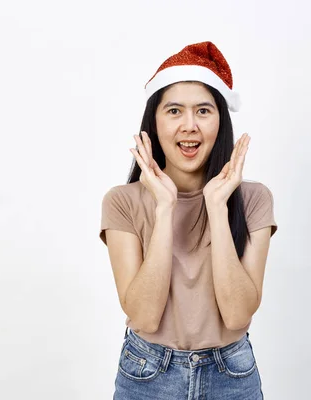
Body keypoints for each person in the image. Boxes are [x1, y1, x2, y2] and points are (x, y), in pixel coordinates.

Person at [99, 42, 278, 399]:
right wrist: (164, 208)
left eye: (203, 111)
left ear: (220, 121)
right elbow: (146, 318)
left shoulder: (254, 199)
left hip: (232, 374)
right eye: (175, 111)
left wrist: (216, 205)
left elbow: (237, 316)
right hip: (147, 375)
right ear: (154, 121)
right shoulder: (122, 202)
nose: (189, 126)